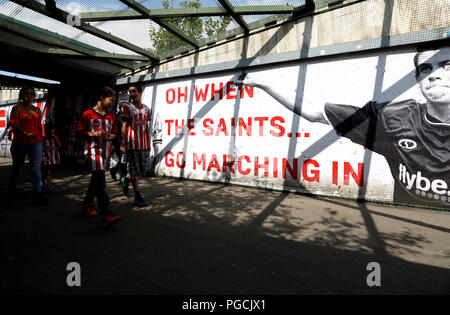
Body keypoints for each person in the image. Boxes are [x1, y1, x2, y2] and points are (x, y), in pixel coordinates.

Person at [238, 43, 450, 209]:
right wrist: (262, 83)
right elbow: (314, 112)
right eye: (425, 68)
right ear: (418, 79)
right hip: (406, 230)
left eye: (446, 65)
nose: (434, 75)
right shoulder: (393, 119)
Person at [76, 86, 122, 226]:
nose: (112, 103)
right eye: (110, 100)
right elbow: (80, 132)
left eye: (114, 101)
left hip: (106, 152)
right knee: (101, 181)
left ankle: (87, 204)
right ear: (101, 98)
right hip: (92, 151)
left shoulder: (112, 116)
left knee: (96, 180)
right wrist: (93, 134)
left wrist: (110, 136)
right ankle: (107, 213)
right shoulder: (87, 114)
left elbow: (114, 133)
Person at [7, 87, 47, 205]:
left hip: (35, 143)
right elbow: (14, 124)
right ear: (21, 95)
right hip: (20, 143)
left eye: (32, 94)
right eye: (27, 93)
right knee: (17, 167)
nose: (29, 95)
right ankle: (11, 190)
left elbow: (39, 126)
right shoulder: (16, 108)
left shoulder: (37, 110)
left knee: (36, 167)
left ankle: (37, 194)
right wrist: (25, 133)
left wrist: (42, 140)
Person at [120, 84, 152, 207]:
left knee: (140, 171)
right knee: (134, 170)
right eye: (130, 92)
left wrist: (148, 143)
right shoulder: (127, 107)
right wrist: (123, 144)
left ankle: (126, 180)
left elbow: (146, 127)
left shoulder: (146, 109)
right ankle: (138, 196)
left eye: (134, 91)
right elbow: (124, 125)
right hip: (132, 145)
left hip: (143, 145)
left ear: (140, 92)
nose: (132, 94)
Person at [41, 121, 61, 193]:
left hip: (53, 158)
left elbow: (59, 145)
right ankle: (43, 184)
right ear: (46, 130)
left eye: (53, 129)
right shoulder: (43, 138)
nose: (52, 131)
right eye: (50, 129)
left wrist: (55, 137)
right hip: (45, 158)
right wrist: (45, 150)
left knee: (49, 172)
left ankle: (48, 185)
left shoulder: (54, 137)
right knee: (46, 172)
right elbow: (41, 147)